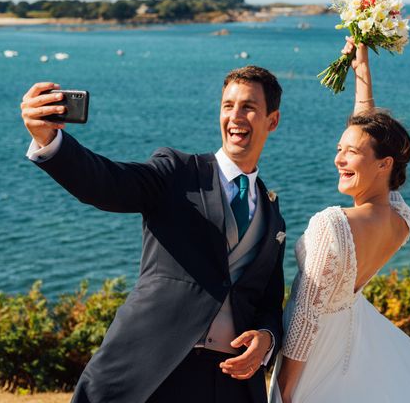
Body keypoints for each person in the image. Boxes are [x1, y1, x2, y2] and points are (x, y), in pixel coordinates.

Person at [20, 66, 287, 403]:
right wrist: (50, 141)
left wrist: (266, 338)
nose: (235, 116)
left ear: (272, 121)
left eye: (248, 106)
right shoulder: (176, 171)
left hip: (228, 383)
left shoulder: (272, 214)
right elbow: (108, 183)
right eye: (227, 105)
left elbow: (269, 303)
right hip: (150, 369)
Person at [269, 38, 410, 403]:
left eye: (351, 153)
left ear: (384, 164)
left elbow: (304, 319)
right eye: (339, 149)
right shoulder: (400, 218)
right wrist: (362, 69)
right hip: (354, 338)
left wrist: (283, 391)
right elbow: (372, 132)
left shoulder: (332, 225)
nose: (339, 159)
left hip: (314, 359)